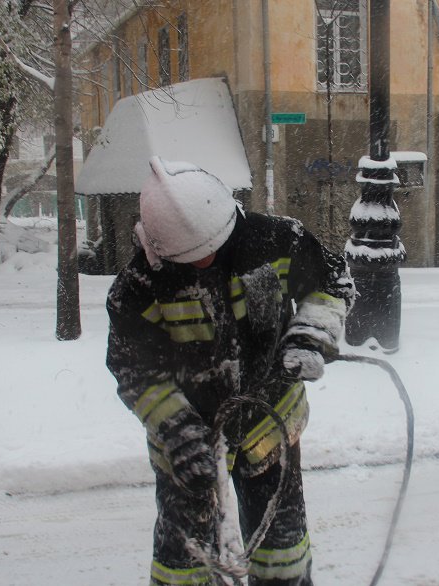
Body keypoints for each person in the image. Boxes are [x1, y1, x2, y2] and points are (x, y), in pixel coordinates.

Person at [106, 156, 355, 585]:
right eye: (190, 258)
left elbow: (333, 283)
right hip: (187, 448)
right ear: (159, 248)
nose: (204, 263)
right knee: (183, 562)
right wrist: (180, 435)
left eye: (210, 251)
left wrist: (310, 333)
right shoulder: (137, 288)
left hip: (270, 427)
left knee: (283, 548)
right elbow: (136, 374)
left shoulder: (277, 240)